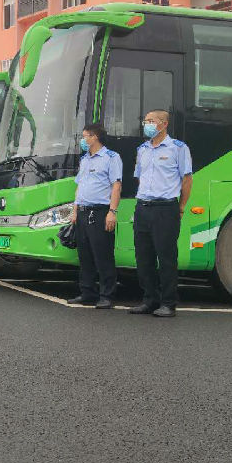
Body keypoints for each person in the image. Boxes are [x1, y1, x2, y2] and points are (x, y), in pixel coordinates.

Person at [130, 109, 192, 318]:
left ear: (164, 124)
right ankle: (150, 300)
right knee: (143, 257)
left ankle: (168, 303)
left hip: (165, 208)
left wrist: (181, 207)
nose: (146, 124)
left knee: (166, 258)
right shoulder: (142, 149)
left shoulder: (178, 148)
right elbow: (140, 176)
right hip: (143, 208)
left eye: (151, 121)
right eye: (145, 121)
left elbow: (187, 180)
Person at [67, 123, 122, 309]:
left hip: (100, 212)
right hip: (82, 212)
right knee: (85, 256)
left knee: (103, 255)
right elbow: (79, 187)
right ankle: (87, 293)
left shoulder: (111, 157)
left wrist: (112, 212)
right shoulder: (85, 160)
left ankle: (107, 295)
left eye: (85, 136)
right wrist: (74, 211)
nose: (83, 140)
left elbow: (116, 186)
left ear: (95, 137)